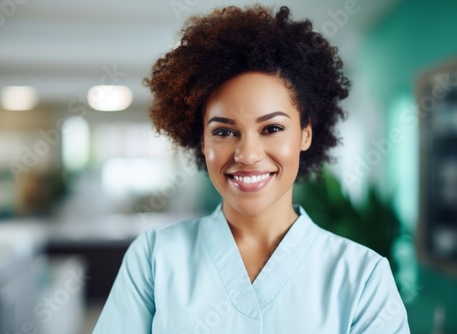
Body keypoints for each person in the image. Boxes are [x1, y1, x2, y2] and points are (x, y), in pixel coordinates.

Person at [93, 5, 410, 333]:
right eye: (224, 131)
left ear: (305, 134)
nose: (247, 154)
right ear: (201, 141)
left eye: (272, 128)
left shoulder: (363, 276)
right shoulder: (154, 259)